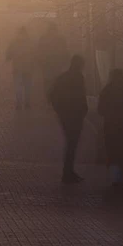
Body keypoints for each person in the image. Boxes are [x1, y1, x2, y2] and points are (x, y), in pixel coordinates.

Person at [49, 55, 89, 183]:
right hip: (75, 115)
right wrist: (83, 110)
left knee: (70, 142)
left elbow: (52, 94)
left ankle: (68, 171)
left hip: (65, 115)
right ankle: (68, 172)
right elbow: (81, 96)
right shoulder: (78, 78)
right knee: (72, 143)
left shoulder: (63, 77)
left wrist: (59, 110)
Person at [98, 68, 123, 187]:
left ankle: (115, 179)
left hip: (110, 126)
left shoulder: (106, 91)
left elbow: (100, 109)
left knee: (112, 151)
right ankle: (122, 177)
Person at [5, 27, 35, 110]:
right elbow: (35, 54)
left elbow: (8, 54)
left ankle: (19, 102)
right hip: (28, 67)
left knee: (18, 86)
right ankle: (27, 102)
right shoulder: (30, 42)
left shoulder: (14, 42)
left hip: (17, 67)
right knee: (27, 86)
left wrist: (9, 57)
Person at [36, 21, 69, 95]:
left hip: (47, 65)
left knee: (48, 81)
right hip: (57, 64)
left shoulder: (43, 38)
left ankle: (48, 97)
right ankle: (56, 96)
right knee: (56, 80)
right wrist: (65, 63)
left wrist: (40, 63)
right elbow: (65, 52)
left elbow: (39, 52)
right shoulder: (61, 39)